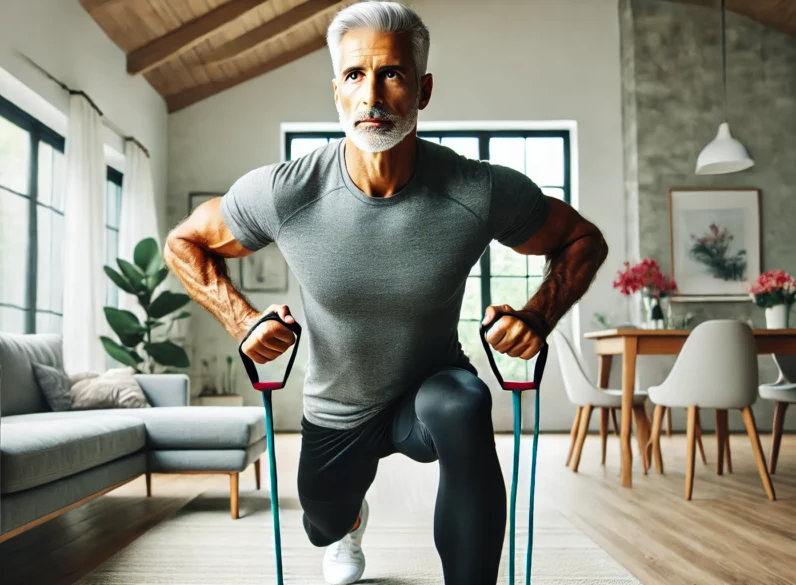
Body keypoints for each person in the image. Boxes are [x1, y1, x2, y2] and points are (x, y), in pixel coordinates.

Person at [163, 1, 608, 583]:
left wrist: (538, 316)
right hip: (335, 408)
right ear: (337, 92)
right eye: (354, 75)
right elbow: (184, 243)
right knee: (322, 522)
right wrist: (242, 320)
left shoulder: (474, 189)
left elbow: (582, 239)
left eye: (392, 74)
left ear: (422, 90)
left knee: (466, 406)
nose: (371, 94)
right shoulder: (286, 192)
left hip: (429, 393)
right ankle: (347, 526)